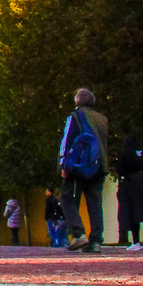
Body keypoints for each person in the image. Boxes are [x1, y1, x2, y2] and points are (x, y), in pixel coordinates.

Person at [58, 88, 109, 254]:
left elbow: (67, 141)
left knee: (68, 199)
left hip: (78, 167)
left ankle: (78, 233)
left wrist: (64, 164)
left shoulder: (75, 117)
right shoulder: (103, 119)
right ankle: (96, 242)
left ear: (77, 102)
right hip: (99, 165)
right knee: (95, 204)